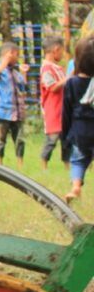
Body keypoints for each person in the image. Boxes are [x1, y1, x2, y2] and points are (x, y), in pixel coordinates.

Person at [61, 36, 94, 203]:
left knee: (78, 161)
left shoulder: (71, 83)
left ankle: (75, 186)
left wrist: (65, 135)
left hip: (79, 131)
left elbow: (65, 112)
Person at [0, 41, 29, 168]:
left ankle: (20, 164)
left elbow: (24, 88)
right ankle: (0, 164)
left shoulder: (15, 73)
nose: (17, 58)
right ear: (8, 54)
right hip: (2, 111)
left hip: (17, 112)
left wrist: (23, 73)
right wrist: (5, 59)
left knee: (20, 139)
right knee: (1, 139)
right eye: (16, 55)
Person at [40, 35, 69, 170]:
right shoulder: (46, 69)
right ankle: (44, 164)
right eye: (62, 51)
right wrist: (68, 78)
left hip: (63, 110)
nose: (62, 54)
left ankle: (67, 165)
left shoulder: (58, 68)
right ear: (56, 50)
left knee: (66, 140)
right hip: (53, 110)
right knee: (52, 139)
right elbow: (52, 88)